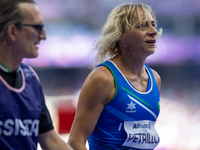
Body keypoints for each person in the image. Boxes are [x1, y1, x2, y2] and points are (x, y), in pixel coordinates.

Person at [68, 3, 162, 150]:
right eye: (143, 26)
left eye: (153, 24)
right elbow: (75, 142)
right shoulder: (103, 78)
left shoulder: (155, 79)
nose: (153, 31)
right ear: (122, 34)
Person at [0, 0, 73, 149]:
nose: (43, 36)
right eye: (38, 27)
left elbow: (50, 140)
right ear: (12, 31)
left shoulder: (30, 77)